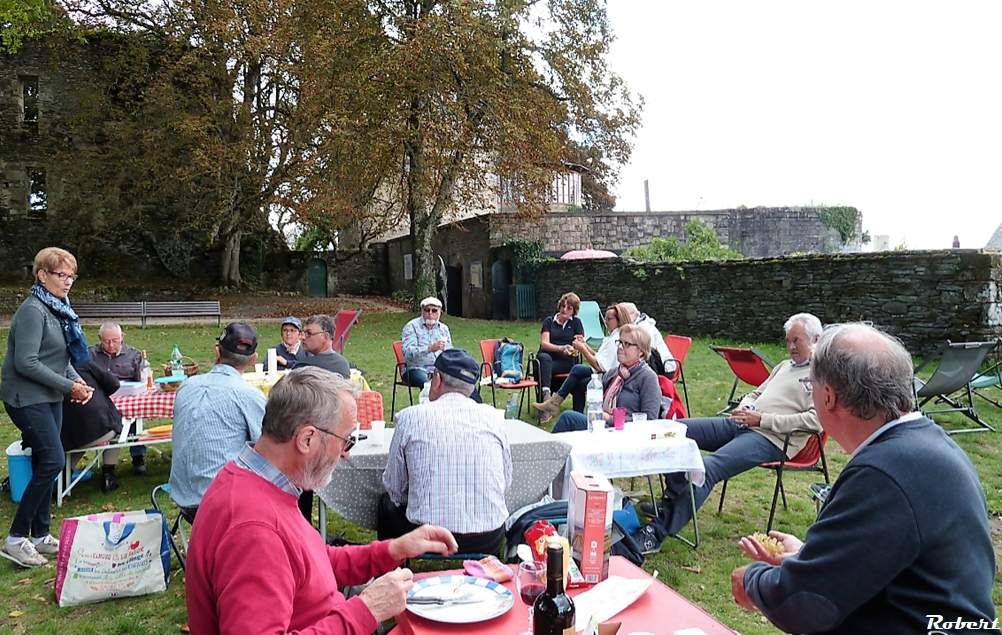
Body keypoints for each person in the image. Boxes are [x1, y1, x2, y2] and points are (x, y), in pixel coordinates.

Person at [731, 323, 998, 634]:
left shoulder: (883, 472)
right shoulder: (927, 445)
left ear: (828, 397)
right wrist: (810, 556)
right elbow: (887, 558)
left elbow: (807, 605)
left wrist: (752, 581)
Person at [185, 366, 459, 634]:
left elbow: (311, 563)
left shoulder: (258, 481)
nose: (346, 454)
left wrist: (394, 549)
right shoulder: (255, 529)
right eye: (346, 440)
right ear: (307, 439)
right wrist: (366, 610)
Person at [635, 313, 823, 550]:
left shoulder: (821, 375)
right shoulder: (785, 366)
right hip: (743, 423)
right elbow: (756, 393)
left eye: (797, 340)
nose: (790, 346)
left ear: (816, 339)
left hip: (772, 439)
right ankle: (675, 500)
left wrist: (762, 419)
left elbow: (815, 421)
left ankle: (657, 532)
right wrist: (745, 407)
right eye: (788, 340)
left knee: (708, 469)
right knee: (674, 430)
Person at [0, 247, 93, 568]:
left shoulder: (59, 309)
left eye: (71, 276)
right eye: (60, 275)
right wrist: (69, 386)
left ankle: (40, 535)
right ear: (41, 274)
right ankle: (14, 538)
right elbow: (26, 362)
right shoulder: (33, 310)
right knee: (53, 460)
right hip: (25, 397)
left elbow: (59, 358)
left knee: (45, 458)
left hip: (49, 396)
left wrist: (77, 381)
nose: (67, 282)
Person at [380, 349, 512, 554]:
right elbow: (506, 481)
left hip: (426, 535)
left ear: (437, 379)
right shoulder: (495, 418)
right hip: (488, 536)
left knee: (386, 504)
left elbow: (394, 487)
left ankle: (391, 573)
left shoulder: (409, 418)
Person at [168, 322, 266, 519]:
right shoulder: (249, 396)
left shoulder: (186, 387)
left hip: (183, 499)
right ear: (254, 359)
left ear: (217, 352)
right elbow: (268, 450)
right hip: (222, 507)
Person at [550, 324, 662, 433]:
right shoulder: (614, 373)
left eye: (627, 344)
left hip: (626, 434)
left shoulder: (648, 377)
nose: (620, 347)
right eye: (619, 342)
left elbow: (650, 420)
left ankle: (544, 451)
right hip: (602, 427)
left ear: (641, 352)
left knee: (568, 418)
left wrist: (610, 418)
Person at [533, 302, 627, 421]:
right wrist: (585, 345)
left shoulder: (615, 339)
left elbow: (599, 365)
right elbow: (599, 356)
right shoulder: (611, 337)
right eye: (605, 318)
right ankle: (570, 412)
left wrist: (581, 348)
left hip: (608, 376)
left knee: (577, 371)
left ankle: (555, 404)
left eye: (609, 319)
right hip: (554, 362)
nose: (606, 321)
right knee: (549, 361)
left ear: (618, 320)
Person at [88, 322, 148, 474]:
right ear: (99, 338)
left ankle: (138, 456)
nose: (110, 345)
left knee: (133, 416)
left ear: (122, 337)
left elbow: (142, 381)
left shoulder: (134, 355)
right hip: (99, 401)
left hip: (126, 398)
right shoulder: (90, 354)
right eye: (106, 341)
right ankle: (108, 467)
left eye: (115, 340)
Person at [61, 361, 124, 492]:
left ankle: (62, 479)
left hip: (64, 438)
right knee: (117, 427)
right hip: (97, 431)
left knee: (79, 438)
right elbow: (114, 384)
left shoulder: (49, 371)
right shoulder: (84, 363)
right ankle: (108, 475)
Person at [535, 292, 585, 399]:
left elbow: (579, 343)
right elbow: (544, 344)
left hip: (565, 362)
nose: (564, 309)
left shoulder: (576, 323)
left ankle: (546, 400)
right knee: (544, 358)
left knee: (545, 368)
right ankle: (546, 395)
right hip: (547, 360)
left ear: (574, 311)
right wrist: (561, 348)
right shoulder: (549, 321)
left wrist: (571, 349)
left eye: (569, 308)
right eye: (563, 306)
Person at [400, 297, 451, 389]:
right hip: (416, 369)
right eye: (427, 310)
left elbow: (449, 352)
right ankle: (429, 402)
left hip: (439, 369)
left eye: (434, 310)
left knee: (461, 380)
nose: (430, 313)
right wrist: (429, 349)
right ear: (422, 311)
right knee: (429, 385)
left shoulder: (443, 329)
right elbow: (408, 353)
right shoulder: (411, 327)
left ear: (440, 312)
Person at [617, 302, 676, 376]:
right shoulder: (631, 328)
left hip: (662, 368)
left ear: (632, 315)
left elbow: (645, 355)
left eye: (620, 315)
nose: (618, 320)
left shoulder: (644, 328)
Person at [298, 314, 351, 378]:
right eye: (304, 333)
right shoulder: (343, 364)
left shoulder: (304, 367)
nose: (303, 337)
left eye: (309, 333)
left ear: (325, 336)